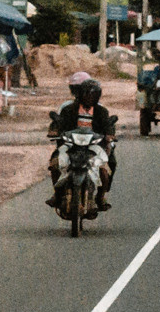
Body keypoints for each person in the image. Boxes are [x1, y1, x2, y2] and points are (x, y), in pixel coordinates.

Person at [47, 70, 119, 214]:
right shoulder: (68, 109)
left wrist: (109, 135)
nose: (89, 97)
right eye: (86, 94)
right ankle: (57, 193)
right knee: (55, 164)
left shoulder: (102, 111)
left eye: (92, 94)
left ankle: (100, 196)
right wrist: (54, 130)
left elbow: (108, 126)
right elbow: (59, 124)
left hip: (93, 146)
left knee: (104, 170)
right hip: (71, 145)